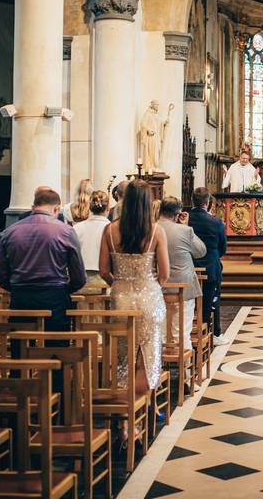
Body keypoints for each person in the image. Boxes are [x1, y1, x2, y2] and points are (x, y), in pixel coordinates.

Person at [98, 180, 168, 441]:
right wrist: (149, 286)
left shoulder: (109, 230)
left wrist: (120, 285)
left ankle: (126, 422)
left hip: (121, 298)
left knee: (122, 358)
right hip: (149, 299)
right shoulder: (156, 231)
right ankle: (143, 408)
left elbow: (103, 270)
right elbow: (165, 273)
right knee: (146, 359)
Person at [0, 187, 87, 332]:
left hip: (21, 296)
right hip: (55, 296)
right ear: (57, 208)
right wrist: (65, 290)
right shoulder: (66, 231)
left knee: (21, 346)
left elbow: (1, 274)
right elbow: (79, 276)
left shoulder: (10, 231)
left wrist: (16, 287)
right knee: (55, 347)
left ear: (33, 207)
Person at [156, 196, 206, 345]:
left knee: (161, 334)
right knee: (182, 333)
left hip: (158, 287)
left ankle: (161, 366)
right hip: (183, 288)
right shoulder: (185, 230)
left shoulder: (150, 228)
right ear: (178, 214)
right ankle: (185, 367)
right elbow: (201, 251)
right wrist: (185, 225)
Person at [188, 187, 228, 344]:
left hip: (189, 266)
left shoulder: (186, 219)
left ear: (193, 201)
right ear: (208, 202)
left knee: (190, 301)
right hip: (211, 265)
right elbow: (222, 247)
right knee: (212, 300)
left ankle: (190, 332)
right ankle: (214, 333)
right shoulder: (215, 221)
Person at [73, 190, 111, 282]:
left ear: (89, 207)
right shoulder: (112, 229)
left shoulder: (76, 228)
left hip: (80, 280)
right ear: (108, 208)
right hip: (105, 280)